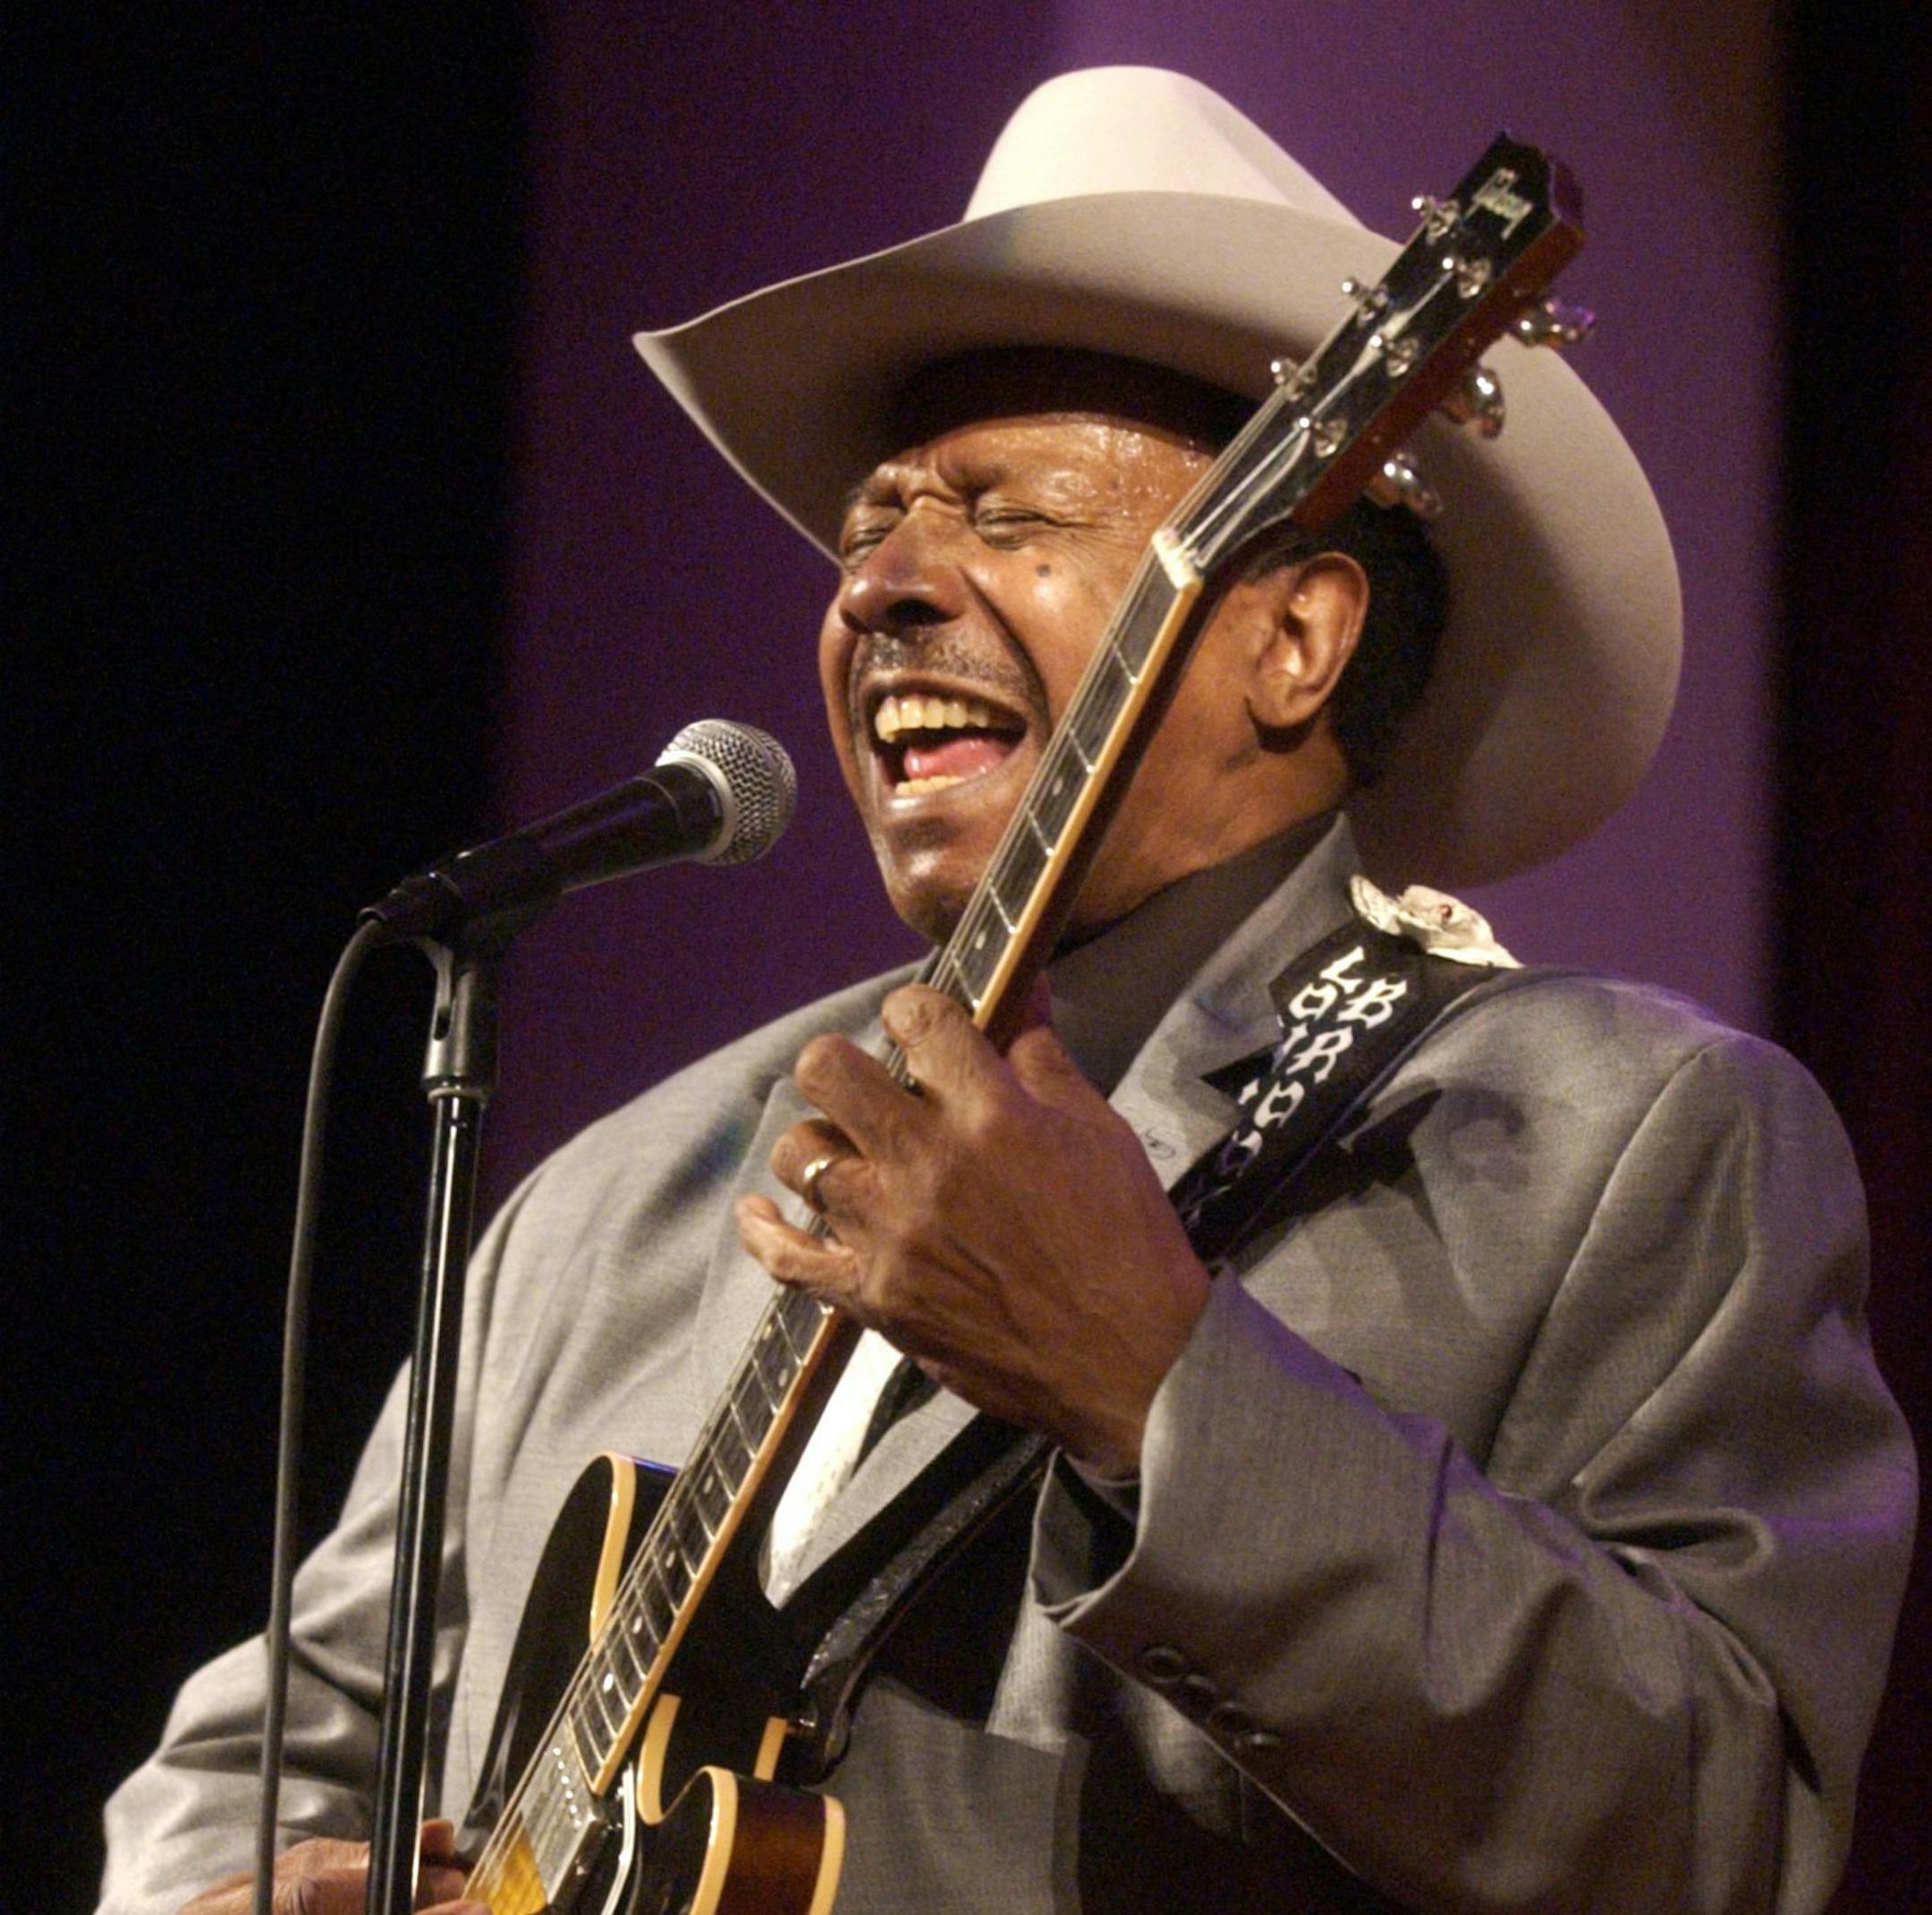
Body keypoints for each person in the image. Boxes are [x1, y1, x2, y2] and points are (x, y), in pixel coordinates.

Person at [101, 68, 1914, 1915]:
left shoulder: (1610, 1136)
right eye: (875, 520)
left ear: (1290, 637)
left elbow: (1715, 1832)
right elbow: (258, 1762)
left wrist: (1158, 1388)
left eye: (1005, 514)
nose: (879, 581)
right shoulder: (601, 1211)